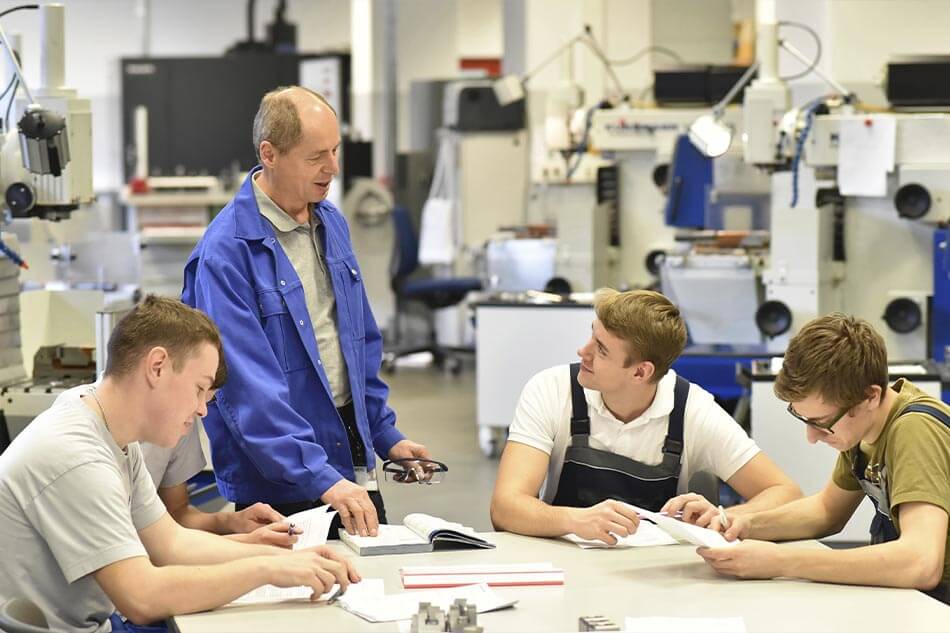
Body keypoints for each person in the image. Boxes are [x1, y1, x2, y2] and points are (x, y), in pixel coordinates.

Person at [0, 296, 359, 632]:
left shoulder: (108, 429)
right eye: (199, 388)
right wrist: (268, 568)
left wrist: (284, 556)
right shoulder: (77, 457)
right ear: (157, 367)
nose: (203, 409)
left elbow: (171, 543)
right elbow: (142, 596)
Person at [182, 86, 428, 538]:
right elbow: (245, 390)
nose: (332, 168)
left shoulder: (329, 221)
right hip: (279, 477)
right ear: (270, 153)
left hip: (348, 458)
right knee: (299, 600)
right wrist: (319, 477)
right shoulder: (226, 255)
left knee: (374, 588)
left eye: (334, 151)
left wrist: (385, 435)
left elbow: (357, 343)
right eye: (317, 156)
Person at [490, 288, 802, 545]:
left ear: (641, 371)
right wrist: (575, 519)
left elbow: (786, 494)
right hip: (563, 563)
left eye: (601, 349)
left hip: (657, 577)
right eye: (591, 337)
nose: (581, 351)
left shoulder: (692, 410)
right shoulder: (552, 390)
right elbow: (505, 507)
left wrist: (726, 517)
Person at [698, 314, 949, 601]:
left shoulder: (915, 429)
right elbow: (827, 511)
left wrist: (781, 561)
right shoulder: (863, 430)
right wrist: (742, 523)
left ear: (870, 397)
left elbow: (921, 562)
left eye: (821, 421)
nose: (812, 437)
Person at [141, 420, 297, 548]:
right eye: (198, 388)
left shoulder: (182, 421)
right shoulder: (121, 450)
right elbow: (161, 550)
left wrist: (231, 522)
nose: (203, 411)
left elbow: (176, 515)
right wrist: (249, 545)